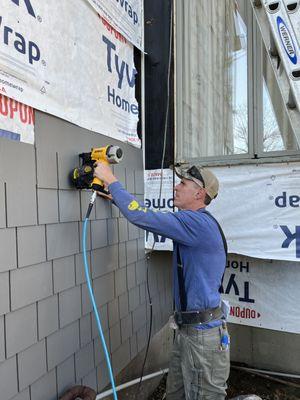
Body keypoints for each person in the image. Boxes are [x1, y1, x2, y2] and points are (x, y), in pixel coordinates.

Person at [94, 162, 230, 400]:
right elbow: (145, 214)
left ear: (199, 193)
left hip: (202, 336)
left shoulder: (196, 223)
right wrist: (115, 197)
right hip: (188, 331)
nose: (176, 188)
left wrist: (111, 179)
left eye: (183, 183)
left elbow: (142, 216)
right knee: (175, 393)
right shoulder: (194, 223)